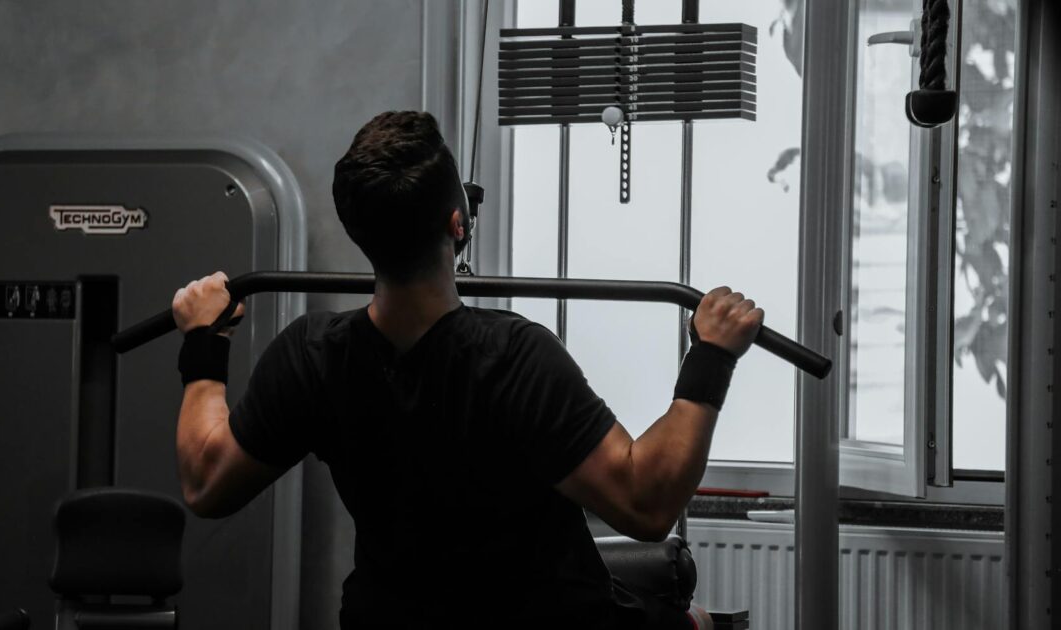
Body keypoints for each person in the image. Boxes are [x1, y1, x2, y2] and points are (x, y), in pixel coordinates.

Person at [170, 111, 763, 629]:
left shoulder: (312, 355)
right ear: (459, 223)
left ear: (357, 231)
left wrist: (204, 341)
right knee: (693, 619)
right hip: (548, 618)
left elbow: (206, 483)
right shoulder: (513, 356)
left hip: (388, 617)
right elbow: (647, 503)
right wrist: (711, 356)